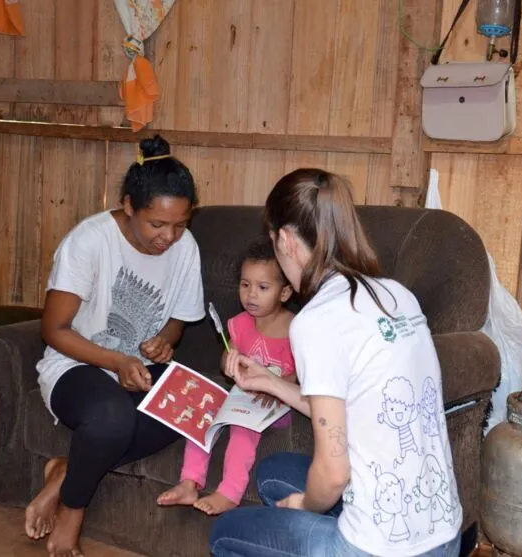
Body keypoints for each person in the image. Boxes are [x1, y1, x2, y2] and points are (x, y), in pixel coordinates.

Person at [209, 168, 463, 557]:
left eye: (275, 245)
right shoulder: (397, 295)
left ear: (288, 241)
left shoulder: (318, 320)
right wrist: (271, 382)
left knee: (225, 535)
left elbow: (333, 473)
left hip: (378, 548)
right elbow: (346, 404)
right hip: (444, 535)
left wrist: (303, 507)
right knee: (274, 472)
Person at [24, 136, 205, 557]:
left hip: (136, 367)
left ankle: (69, 470)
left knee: (196, 406)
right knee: (112, 418)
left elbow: (178, 317)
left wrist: (166, 341)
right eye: (156, 224)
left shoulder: (186, 248)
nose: (169, 237)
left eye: (180, 224)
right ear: (128, 206)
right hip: (76, 365)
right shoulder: (89, 241)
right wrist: (116, 361)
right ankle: (72, 513)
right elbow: (54, 329)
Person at [157, 240, 297, 515]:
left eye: (262, 287)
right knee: (201, 410)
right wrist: (229, 363)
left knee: (241, 428)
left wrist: (274, 388)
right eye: (245, 285)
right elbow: (226, 358)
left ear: (285, 292)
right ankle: (189, 482)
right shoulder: (241, 323)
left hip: (276, 405)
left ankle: (229, 492)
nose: (251, 295)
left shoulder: (295, 328)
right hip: (243, 397)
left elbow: (298, 377)